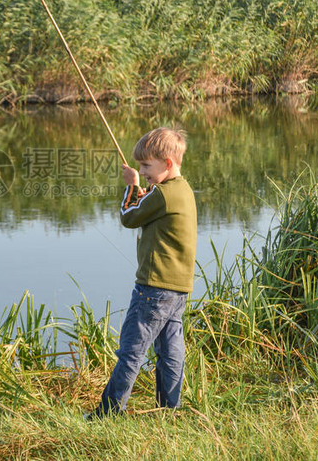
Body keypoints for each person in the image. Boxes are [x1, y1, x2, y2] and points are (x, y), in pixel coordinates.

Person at [88, 127, 197, 418]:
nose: (142, 170)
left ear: (168, 163)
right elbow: (150, 205)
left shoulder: (162, 194)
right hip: (178, 286)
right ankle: (170, 408)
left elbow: (129, 216)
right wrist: (143, 186)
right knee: (170, 348)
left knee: (131, 351)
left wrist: (132, 186)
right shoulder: (181, 189)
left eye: (147, 166)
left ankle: (108, 412)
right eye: (140, 166)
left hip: (154, 287)